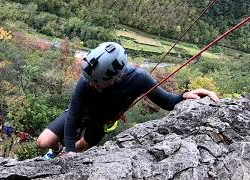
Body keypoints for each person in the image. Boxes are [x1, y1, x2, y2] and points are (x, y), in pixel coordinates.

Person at [36, 42, 219, 158]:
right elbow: (74, 113)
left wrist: (185, 95)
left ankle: (65, 151)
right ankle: (59, 150)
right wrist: (68, 151)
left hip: (99, 123)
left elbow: (167, 102)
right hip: (81, 114)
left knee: (81, 147)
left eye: (96, 83)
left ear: (116, 78)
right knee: (43, 142)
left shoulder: (139, 79)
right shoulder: (88, 79)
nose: (90, 85)